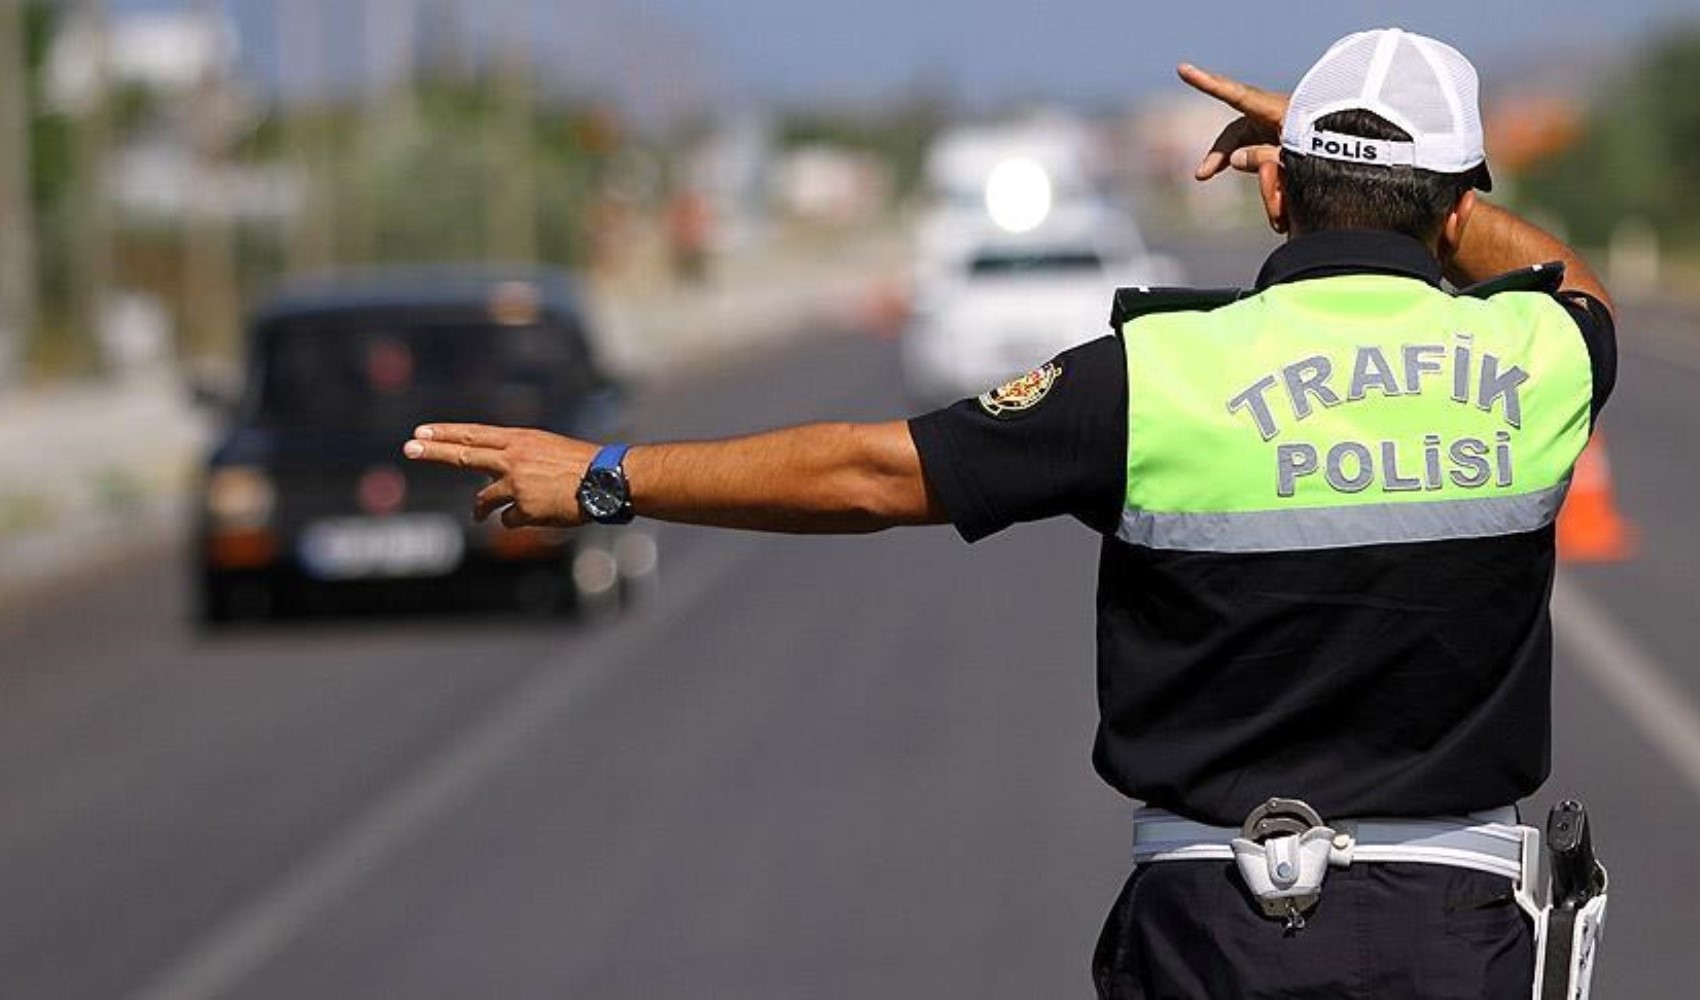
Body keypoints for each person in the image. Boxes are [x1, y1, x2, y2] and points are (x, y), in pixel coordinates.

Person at [403, 28, 1614, 1000]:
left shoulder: (1153, 376)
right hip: (1456, 932)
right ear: (1452, 210)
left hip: (1216, 931)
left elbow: (872, 473)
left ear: (1275, 192)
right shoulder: (1539, 356)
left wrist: (608, 474)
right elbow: (1570, 281)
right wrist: (1408, 186)